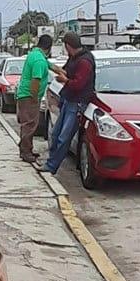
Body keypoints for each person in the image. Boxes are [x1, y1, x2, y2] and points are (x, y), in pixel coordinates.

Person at [41, 32, 95, 175]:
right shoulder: (74, 58)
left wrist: (65, 80)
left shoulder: (85, 61)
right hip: (68, 99)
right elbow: (65, 70)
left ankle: (52, 166)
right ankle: (50, 161)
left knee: (64, 137)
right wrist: (59, 72)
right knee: (55, 134)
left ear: (68, 46)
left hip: (77, 102)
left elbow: (78, 84)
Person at [15, 34, 63, 162]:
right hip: (29, 96)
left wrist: (63, 72)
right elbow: (35, 80)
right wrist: (35, 97)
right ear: (49, 47)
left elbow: (52, 66)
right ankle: (25, 152)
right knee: (30, 124)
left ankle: (27, 148)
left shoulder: (35, 54)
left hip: (25, 95)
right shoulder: (39, 61)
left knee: (29, 123)